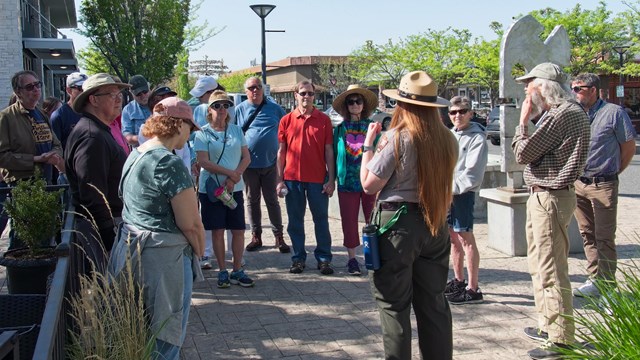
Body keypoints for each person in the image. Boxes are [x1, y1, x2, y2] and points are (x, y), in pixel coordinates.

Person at [360, 71, 458, 359]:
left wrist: (368, 145)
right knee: (434, 304)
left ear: (402, 105)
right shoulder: (447, 140)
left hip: (397, 225)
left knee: (393, 305)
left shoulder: (396, 138)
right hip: (435, 222)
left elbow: (369, 184)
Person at [108, 97, 205, 360]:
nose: (191, 134)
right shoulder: (169, 162)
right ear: (179, 125)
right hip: (164, 259)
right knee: (165, 336)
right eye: (190, 127)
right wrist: (199, 251)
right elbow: (192, 224)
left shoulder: (136, 154)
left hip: (130, 250)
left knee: (138, 330)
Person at [511, 63, 590, 360]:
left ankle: (561, 340)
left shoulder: (562, 114)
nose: (525, 93)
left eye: (529, 86)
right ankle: (548, 325)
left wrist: (522, 122)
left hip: (551, 197)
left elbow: (522, 154)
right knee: (541, 265)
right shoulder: (564, 113)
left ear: (543, 87)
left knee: (551, 270)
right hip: (547, 196)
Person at [570, 73, 637, 298]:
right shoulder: (575, 114)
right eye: (573, 88)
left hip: (603, 183)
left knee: (604, 236)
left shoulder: (614, 113)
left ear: (593, 89)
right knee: (587, 233)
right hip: (579, 183)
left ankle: (608, 285)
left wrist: (615, 170)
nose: (575, 92)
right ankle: (594, 278)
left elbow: (628, 147)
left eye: (579, 88)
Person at [65, 73, 130, 270]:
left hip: (109, 225)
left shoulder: (98, 130)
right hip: (104, 230)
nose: (119, 99)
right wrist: (109, 239)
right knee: (111, 288)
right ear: (93, 100)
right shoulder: (92, 136)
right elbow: (92, 193)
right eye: (112, 94)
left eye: (120, 93)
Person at [193, 90, 253, 288]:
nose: (222, 109)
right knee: (217, 230)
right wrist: (231, 173)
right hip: (212, 190)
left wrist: (234, 177)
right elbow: (204, 162)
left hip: (233, 188)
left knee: (238, 230)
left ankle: (237, 269)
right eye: (217, 105)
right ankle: (222, 271)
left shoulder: (236, 130)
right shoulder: (202, 133)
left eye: (226, 105)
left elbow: (246, 157)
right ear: (209, 109)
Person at [276, 80, 336, 275]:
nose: (306, 97)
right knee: (295, 221)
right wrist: (279, 179)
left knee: (321, 220)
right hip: (292, 178)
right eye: (303, 93)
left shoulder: (323, 120)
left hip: (317, 178)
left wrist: (331, 178)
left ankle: (324, 258)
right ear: (296, 95)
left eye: (310, 93)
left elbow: (329, 150)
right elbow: (281, 152)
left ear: (314, 96)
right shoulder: (286, 120)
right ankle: (298, 257)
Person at [0, 70, 64, 245]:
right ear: (18, 92)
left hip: (47, 181)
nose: (36, 89)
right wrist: (35, 159)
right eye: (30, 87)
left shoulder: (41, 114)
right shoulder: (6, 117)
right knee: (23, 238)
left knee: (46, 235)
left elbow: (56, 144)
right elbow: (3, 157)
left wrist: (54, 154)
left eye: (38, 85)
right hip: (23, 186)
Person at [236, 77, 290, 253]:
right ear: (246, 91)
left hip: (271, 164)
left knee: (272, 200)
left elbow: (287, 132)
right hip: (249, 165)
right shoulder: (240, 109)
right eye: (251, 87)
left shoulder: (275, 109)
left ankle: (278, 236)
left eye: (258, 87)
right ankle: (256, 235)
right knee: (252, 200)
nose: (255, 90)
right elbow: (235, 134)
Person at [444, 96, 488, 304]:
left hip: (462, 194)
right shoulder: (450, 135)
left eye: (462, 111)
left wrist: (450, 188)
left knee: (465, 238)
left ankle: (473, 287)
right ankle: (458, 280)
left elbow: (473, 173)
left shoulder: (477, 137)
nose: (457, 116)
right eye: (453, 112)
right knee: (453, 238)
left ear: (470, 113)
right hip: (447, 195)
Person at [331, 84, 379, 276]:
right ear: (346, 106)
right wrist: (330, 179)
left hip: (370, 181)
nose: (354, 105)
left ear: (364, 104)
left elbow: (381, 154)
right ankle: (352, 259)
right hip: (347, 182)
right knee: (348, 221)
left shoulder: (372, 127)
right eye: (350, 102)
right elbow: (333, 155)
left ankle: (373, 255)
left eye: (358, 101)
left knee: (373, 220)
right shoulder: (340, 129)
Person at [50, 72, 88, 150]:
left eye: (87, 88)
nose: (85, 92)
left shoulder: (93, 112)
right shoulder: (59, 116)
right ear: (69, 90)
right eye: (80, 88)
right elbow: (55, 147)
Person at [121, 74, 151, 146]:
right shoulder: (128, 110)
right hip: (141, 153)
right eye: (138, 94)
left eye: (145, 91)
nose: (143, 96)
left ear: (149, 87)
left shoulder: (160, 104)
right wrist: (146, 139)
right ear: (131, 93)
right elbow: (127, 137)